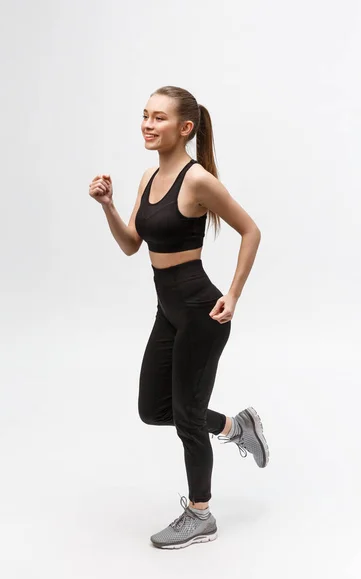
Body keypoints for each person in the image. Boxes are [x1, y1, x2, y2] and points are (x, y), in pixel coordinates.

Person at [88, 85, 269, 550]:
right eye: (145, 115)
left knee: (186, 416)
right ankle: (235, 426)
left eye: (160, 118)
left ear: (185, 128)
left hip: (201, 312)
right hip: (167, 310)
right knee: (154, 409)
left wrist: (233, 293)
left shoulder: (198, 180)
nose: (148, 124)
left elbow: (251, 230)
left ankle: (200, 514)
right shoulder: (149, 177)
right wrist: (108, 205)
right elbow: (132, 244)